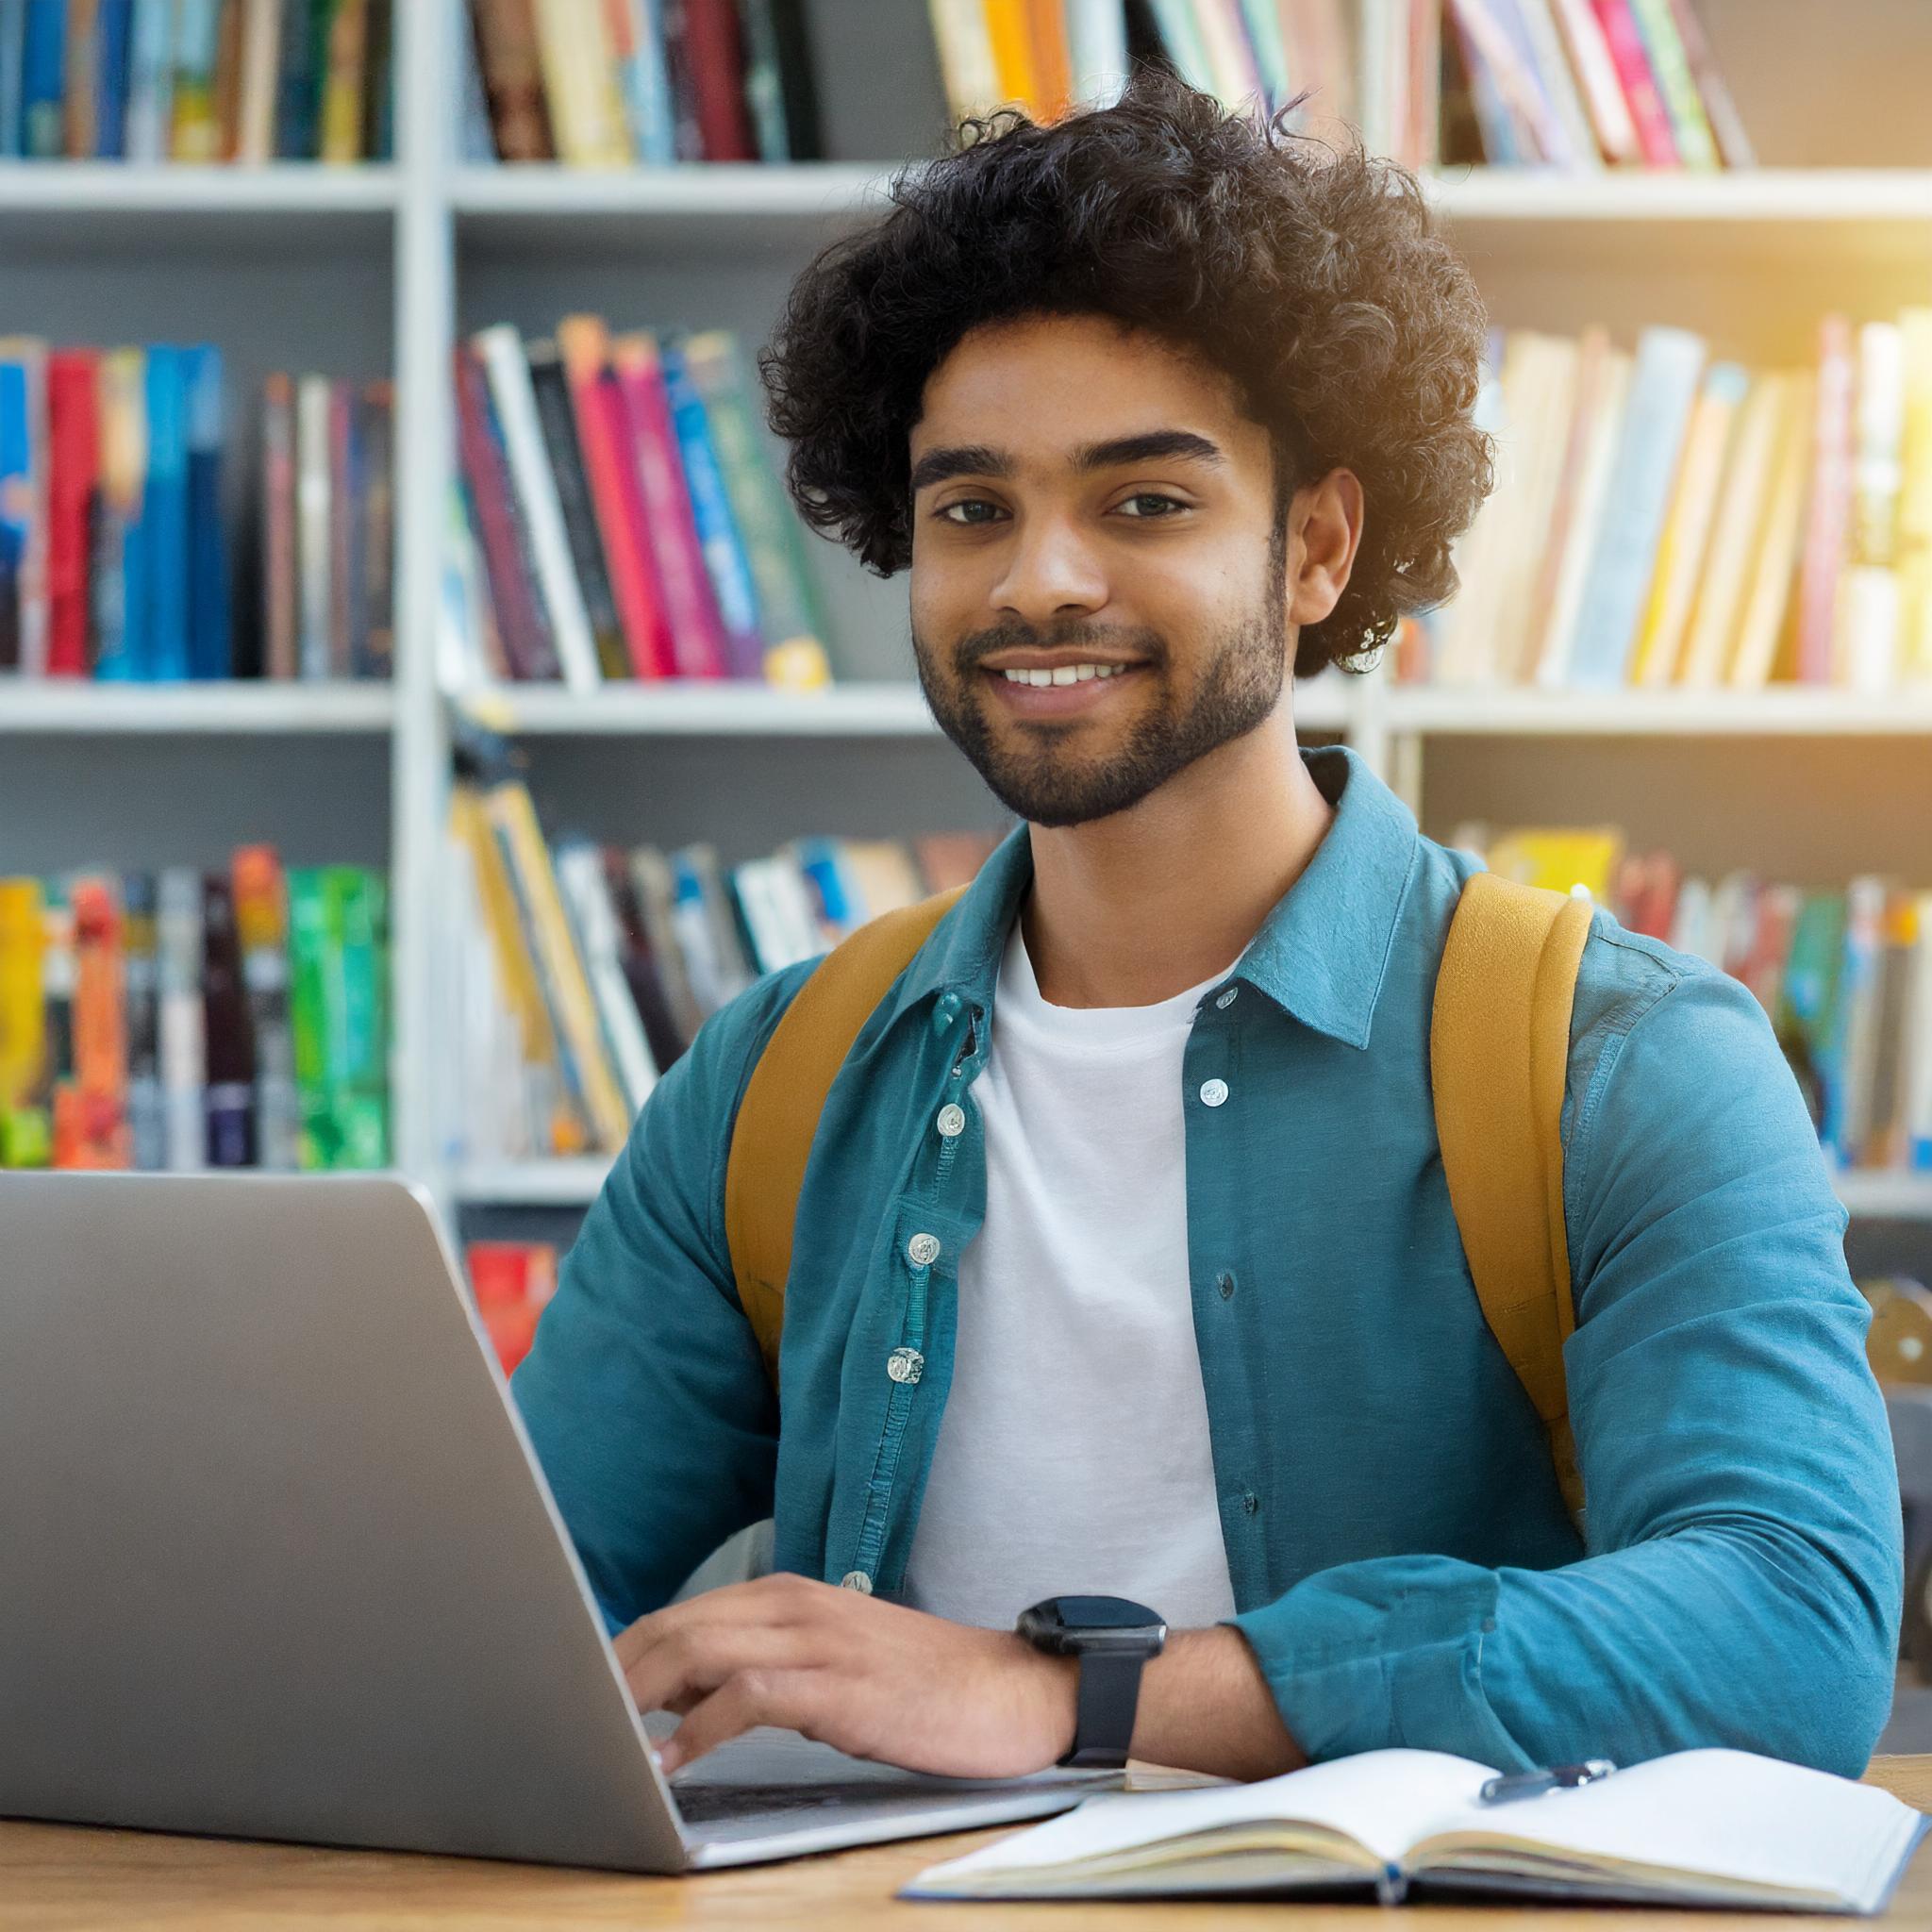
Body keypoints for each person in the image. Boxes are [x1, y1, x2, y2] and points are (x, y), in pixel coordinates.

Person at [509, 70, 1901, 1786]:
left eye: (1145, 503)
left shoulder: (1618, 1061)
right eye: (972, 509)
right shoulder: (776, 1076)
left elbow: (1791, 1631)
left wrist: (1073, 1696)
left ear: (1315, 546)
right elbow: (507, 1616)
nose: (1042, 582)